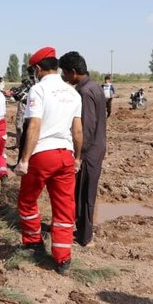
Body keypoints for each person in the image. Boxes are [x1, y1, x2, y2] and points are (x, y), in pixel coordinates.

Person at [14, 47, 83, 276]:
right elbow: (78, 130)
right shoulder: (73, 92)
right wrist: (77, 158)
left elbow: (33, 125)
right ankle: (63, 259)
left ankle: (33, 242)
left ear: (37, 68)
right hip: (65, 154)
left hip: (42, 154)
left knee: (27, 200)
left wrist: (24, 159)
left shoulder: (38, 89)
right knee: (64, 208)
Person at [60, 52, 107, 247]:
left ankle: (85, 237)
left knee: (85, 194)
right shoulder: (94, 86)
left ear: (72, 72)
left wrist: (78, 156)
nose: (63, 77)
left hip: (89, 151)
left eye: (64, 72)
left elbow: (85, 128)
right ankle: (82, 230)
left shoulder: (84, 92)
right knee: (83, 192)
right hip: (97, 146)